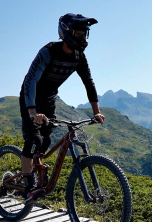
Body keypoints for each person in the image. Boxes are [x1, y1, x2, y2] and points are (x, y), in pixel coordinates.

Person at [19, 13, 105, 197]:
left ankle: (37, 168)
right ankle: (27, 186)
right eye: (78, 33)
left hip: (49, 98)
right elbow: (31, 81)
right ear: (66, 33)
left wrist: (96, 112)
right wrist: (33, 112)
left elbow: (88, 82)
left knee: (47, 140)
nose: (82, 38)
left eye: (85, 33)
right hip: (31, 97)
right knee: (34, 140)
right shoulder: (48, 52)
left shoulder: (79, 57)